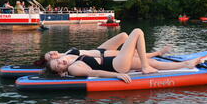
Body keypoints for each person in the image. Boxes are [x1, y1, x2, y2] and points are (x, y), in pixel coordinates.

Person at [45, 29, 203, 83]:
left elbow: (48, 57)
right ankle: (145, 66)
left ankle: (186, 65)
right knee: (137, 32)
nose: (59, 63)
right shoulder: (73, 68)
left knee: (154, 62)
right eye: (58, 66)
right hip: (117, 66)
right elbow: (94, 73)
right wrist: (118, 75)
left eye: (57, 61)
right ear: (60, 72)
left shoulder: (67, 57)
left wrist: (51, 56)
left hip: (114, 60)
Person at [41, 32, 172, 66]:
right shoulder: (67, 62)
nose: (52, 53)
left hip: (101, 48)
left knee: (124, 36)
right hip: (104, 55)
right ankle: (158, 53)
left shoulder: (65, 54)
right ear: (52, 61)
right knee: (132, 55)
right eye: (50, 56)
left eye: (49, 52)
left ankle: (140, 51)